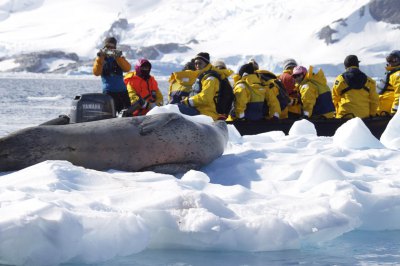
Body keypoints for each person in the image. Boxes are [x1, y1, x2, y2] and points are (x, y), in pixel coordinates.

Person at [179, 52, 233, 120]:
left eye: (200, 63)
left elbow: (206, 97)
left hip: (206, 113)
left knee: (175, 109)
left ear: (207, 63)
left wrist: (187, 101)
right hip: (199, 109)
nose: (197, 65)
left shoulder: (210, 78)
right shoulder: (202, 76)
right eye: (196, 63)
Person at [92, 37, 131, 113]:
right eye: (108, 47)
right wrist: (100, 58)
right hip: (108, 93)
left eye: (112, 47)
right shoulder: (101, 59)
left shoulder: (119, 58)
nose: (110, 49)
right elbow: (96, 73)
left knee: (127, 114)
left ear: (115, 48)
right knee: (109, 116)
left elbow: (127, 69)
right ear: (104, 47)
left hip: (123, 92)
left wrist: (118, 57)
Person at [377, 50, 400, 115]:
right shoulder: (393, 74)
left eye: (394, 60)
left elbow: (399, 95)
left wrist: (394, 112)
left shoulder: (397, 75)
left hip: (386, 114)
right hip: (381, 112)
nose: (390, 62)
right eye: (389, 59)